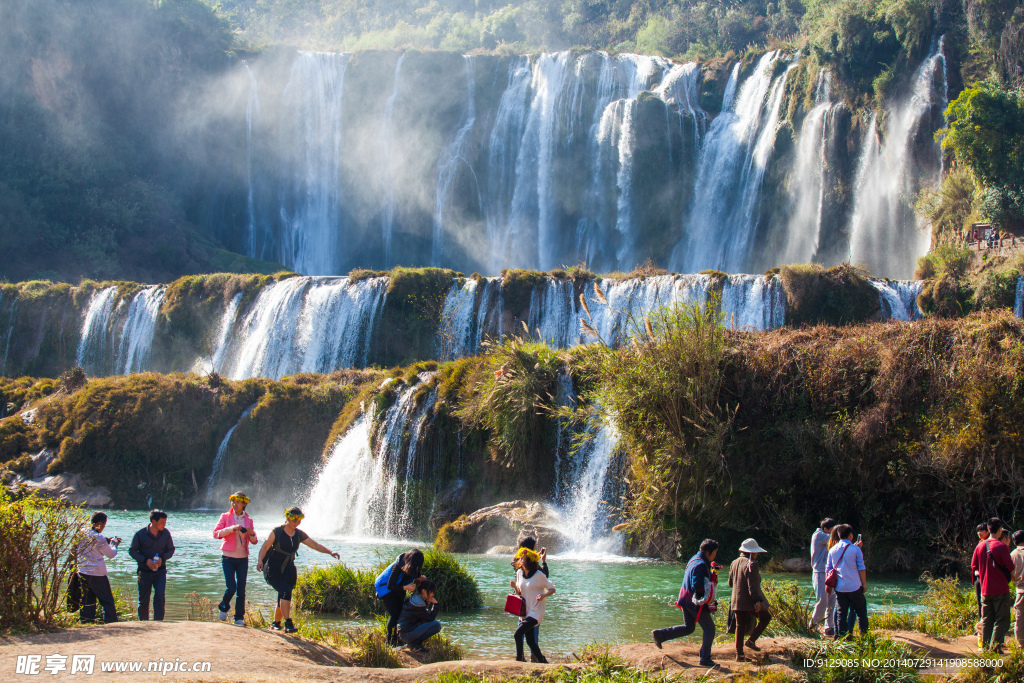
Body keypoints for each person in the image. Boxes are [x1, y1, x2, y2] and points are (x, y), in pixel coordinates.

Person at [256, 507, 339, 633]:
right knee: (285, 591)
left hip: (288, 569)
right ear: (287, 518)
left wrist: (330, 552)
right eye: (294, 520)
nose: (296, 522)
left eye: (299, 520)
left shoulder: (299, 534)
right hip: (274, 568)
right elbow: (265, 546)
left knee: (283, 594)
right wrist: (260, 561)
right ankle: (288, 623)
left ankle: (275, 623)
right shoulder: (277, 532)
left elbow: (315, 545)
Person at [652, 539, 719, 668]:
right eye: (715, 552)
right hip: (693, 601)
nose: (715, 555)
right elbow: (698, 585)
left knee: (689, 627)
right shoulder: (700, 564)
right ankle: (704, 658)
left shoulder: (694, 558)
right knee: (709, 628)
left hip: (684, 598)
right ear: (708, 552)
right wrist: (709, 591)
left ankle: (660, 634)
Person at [213, 491, 258, 625]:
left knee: (241, 589)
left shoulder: (248, 520)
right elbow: (216, 534)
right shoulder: (225, 517)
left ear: (244, 504)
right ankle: (223, 606)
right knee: (231, 587)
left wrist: (251, 533)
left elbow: (255, 541)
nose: (235, 504)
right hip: (228, 557)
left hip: (243, 558)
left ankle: (238, 617)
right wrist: (232, 528)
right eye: (233, 501)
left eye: (238, 502)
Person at [971, 518, 1015, 652]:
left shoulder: (980, 546)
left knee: (987, 620)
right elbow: (1010, 566)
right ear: (1000, 530)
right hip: (1000, 590)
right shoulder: (1002, 547)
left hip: (985, 590)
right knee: (1002, 620)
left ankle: (985, 649)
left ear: (988, 529)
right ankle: (995, 649)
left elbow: (974, 566)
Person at [729, 538, 772, 662]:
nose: (757, 554)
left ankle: (740, 655)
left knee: (739, 626)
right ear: (752, 552)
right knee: (766, 617)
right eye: (756, 552)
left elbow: (730, 583)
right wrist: (757, 601)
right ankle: (751, 641)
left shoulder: (734, 562)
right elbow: (752, 586)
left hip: (736, 600)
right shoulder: (752, 564)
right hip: (749, 601)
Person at [509, 547, 555, 663]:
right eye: (521, 558)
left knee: (517, 634)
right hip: (526, 611)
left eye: (524, 559)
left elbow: (552, 589)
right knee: (530, 641)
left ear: (529, 561)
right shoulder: (519, 573)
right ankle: (542, 660)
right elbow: (520, 593)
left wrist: (543, 596)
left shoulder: (539, 575)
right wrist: (515, 587)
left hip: (536, 611)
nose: (522, 560)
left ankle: (519, 660)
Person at [128, 510, 175, 621]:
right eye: (162, 522)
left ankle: (158, 621)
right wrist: (145, 560)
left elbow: (171, 550)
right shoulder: (140, 534)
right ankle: (144, 623)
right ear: (153, 521)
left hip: (160, 571)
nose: (164, 524)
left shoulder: (166, 533)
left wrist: (162, 558)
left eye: (165, 522)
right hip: (144, 571)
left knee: (159, 595)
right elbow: (132, 551)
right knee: (144, 599)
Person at [374, 549, 425, 647]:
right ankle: (388, 641)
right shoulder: (397, 566)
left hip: (399, 587)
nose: (417, 567)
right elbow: (390, 586)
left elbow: (413, 579)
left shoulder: (414, 568)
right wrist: (406, 588)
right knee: (394, 614)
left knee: (401, 612)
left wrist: (419, 580)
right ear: (411, 561)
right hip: (384, 587)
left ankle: (396, 639)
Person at [76, 512, 121, 623]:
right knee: (107, 601)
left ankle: (86, 622)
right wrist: (114, 545)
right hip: (97, 573)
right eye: (104, 524)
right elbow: (111, 554)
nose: (104, 527)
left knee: (87, 600)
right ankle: (111, 623)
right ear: (100, 523)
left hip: (83, 571)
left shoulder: (82, 533)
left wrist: (106, 540)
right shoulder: (99, 537)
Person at [825, 524, 867, 639]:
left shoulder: (832, 550)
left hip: (840, 587)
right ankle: (864, 636)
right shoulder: (855, 549)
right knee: (861, 611)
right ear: (850, 535)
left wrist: (828, 585)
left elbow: (828, 569)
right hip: (854, 586)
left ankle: (842, 637)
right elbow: (861, 568)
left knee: (841, 614)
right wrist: (864, 584)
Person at [514, 537, 549, 661]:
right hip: (531, 604)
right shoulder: (530, 567)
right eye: (535, 547)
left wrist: (536, 559)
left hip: (527, 605)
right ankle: (535, 658)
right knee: (527, 635)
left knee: (523, 633)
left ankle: (522, 657)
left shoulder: (520, 564)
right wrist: (543, 562)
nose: (536, 549)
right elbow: (545, 576)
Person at [809, 518, 838, 636]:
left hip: (829, 572)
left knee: (832, 601)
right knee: (822, 601)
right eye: (833, 530)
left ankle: (829, 627)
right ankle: (812, 627)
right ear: (826, 529)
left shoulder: (826, 536)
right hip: (819, 572)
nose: (834, 532)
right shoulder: (819, 535)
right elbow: (836, 539)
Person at [397, 578, 442, 653]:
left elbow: (423, 617)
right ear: (424, 591)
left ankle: (414, 643)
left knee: (432, 622)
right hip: (406, 635)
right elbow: (430, 618)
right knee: (436, 625)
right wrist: (436, 605)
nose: (433, 594)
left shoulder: (415, 598)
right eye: (432, 592)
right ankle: (415, 643)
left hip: (404, 633)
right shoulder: (419, 604)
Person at [975, 522, 991, 633]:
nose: (979, 533)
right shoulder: (980, 544)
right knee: (979, 603)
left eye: (982, 530)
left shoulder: (989, 544)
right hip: (978, 578)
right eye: (978, 531)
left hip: (986, 578)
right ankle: (981, 627)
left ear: (988, 531)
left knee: (985, 603)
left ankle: (985, 627)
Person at [1010, 530, 1024, 647]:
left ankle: (1020, 645)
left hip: (1020, 590)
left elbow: (1010, 574)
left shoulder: (1013, 554)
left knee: (1019, 620)